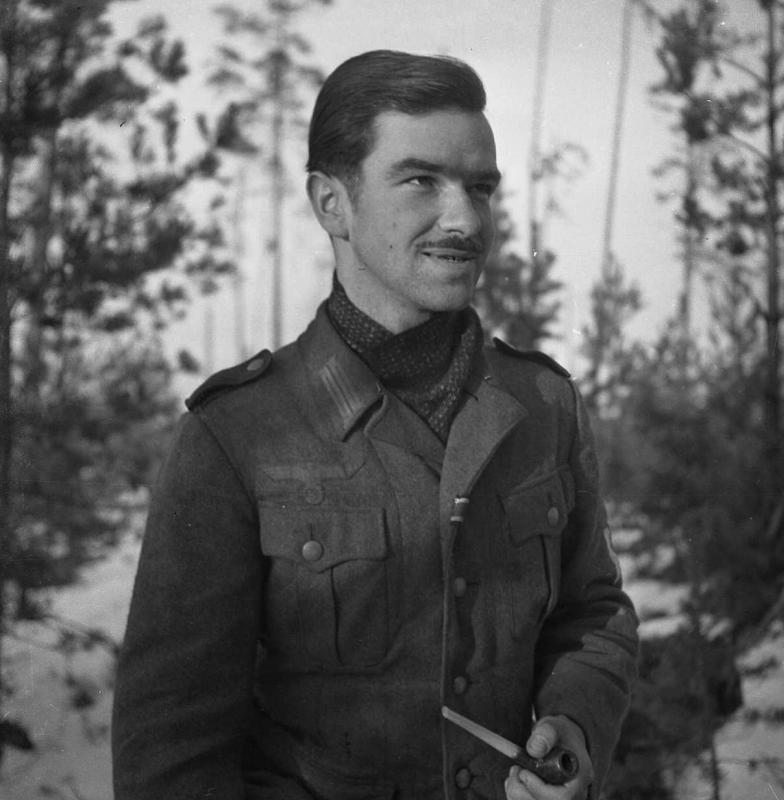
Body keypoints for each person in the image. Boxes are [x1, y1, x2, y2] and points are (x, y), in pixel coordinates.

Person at [112, 49, 638, 800]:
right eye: (421, 180)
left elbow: (592, 613)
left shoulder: (544, 404)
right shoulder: (237, 434)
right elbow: (172, 752)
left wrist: (575, 728)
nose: (465, 219)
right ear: (333, 203)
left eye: (480, 187)